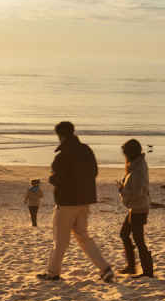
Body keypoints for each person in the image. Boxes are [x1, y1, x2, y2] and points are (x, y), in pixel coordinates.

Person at [40, 121, 113, 282]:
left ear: (60, 135)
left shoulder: (62, 155)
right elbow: (94, 172)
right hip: (84, 200)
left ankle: (53, 272)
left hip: (66, 202)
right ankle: (105, 268)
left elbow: (58, 178)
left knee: (60, 240)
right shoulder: (86, 150)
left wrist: (52, 178)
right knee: (83, 236)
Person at [117, 139, 154, 278]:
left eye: (125, 153)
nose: (124, 156)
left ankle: (147, 271)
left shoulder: (138, 169)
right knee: (125, 234)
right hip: (137, 207)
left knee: (138, 240)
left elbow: (137, 191)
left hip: (138, 207)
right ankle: (132, 266)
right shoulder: (136, 165)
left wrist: (122, 190)